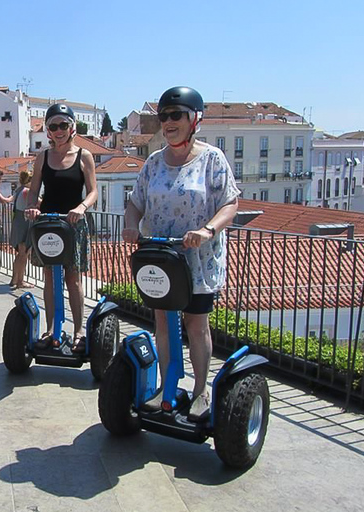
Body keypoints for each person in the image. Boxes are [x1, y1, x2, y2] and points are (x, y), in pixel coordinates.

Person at [122, 86, 240, 421]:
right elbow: (135, 203)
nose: (169, 122)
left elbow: (230, 203)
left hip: (197, 261)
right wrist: (131, 225)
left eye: (177, 115)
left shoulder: (212, 159)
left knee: (195, 324)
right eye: (164, 116)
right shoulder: (154, 162)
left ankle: (201, 390)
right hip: (160, 258)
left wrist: (207, 231)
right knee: (162, 320)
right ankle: (167, 385)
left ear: (194, 119)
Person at [25, 103, 98, 352]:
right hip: (48, 224)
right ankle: (51, 327)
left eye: (63, 125)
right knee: (48, 278)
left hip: (73, 224)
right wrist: (32, 206)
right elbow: (34, 189)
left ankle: (78, 330)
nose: (58, 130)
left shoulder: (83, 156)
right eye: (53, 126)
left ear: (72, 127)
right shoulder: (43, 157)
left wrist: (82, 208)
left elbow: (93, 191)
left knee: (73, 279)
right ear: (47, 130)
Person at [9, 170, 34, 288]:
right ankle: (20, 281)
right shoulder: (27, 191)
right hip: (25, 222)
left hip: (18, 221)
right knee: (24, 254)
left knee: (20, 254)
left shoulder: (19, 190)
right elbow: (40, 203)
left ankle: (15, 279)